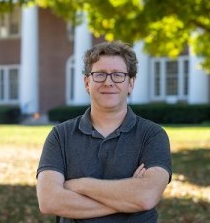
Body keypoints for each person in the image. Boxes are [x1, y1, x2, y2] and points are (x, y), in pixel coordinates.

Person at [36, 41, 172, 222]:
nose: (108, 82)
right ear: (86, 82)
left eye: (118, 75)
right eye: (100, 75)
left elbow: (146, 197)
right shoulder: (60, 136)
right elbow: (50, 201)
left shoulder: (152, 135)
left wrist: (78, 185)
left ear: (130, 84)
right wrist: (128, 199)